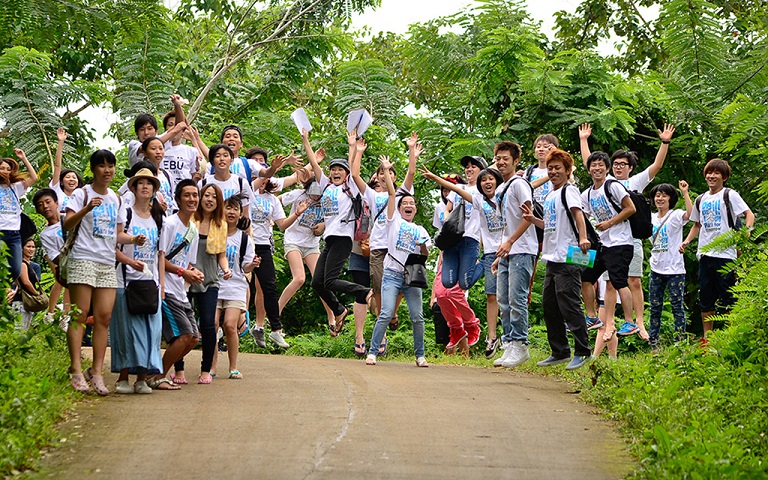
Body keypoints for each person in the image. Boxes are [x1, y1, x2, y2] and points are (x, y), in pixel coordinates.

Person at [579, 122, 676, 339]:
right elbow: (593, 163)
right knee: (602, 280)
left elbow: (657, 166)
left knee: (630, 281)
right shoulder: (593, 188)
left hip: (627, 240)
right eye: (616, 164)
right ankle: (603, 320)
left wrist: (665, 142)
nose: (618, 167)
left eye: (623, 164)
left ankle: (635, 322)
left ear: (630, 167)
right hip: (604, 242)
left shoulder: (631, 182)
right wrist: (584, 140)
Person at [63, 149, 130, 395]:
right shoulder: (81, 194)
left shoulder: (117, 198)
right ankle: (76, 369)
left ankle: (97, 371)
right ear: (93, 170)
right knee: (80, 315)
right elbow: (66, 224)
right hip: (82, 257)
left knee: (104, 318)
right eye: (101, 166)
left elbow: (118, 234)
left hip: (105, 261)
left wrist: (134, 239)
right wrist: (86, 209)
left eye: (110, 166)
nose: (107, 170)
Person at [521, 149, 592, 370]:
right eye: (550, 168)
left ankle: (583, 351)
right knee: (550, 305)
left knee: (569, 304)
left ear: (567, 170)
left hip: (569, 256)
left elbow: (578, 214)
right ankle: (559, 351)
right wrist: (534, 220)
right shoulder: (551, 195)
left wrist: (582, 237)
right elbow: (551, 226)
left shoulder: (569, 190)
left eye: (557, 168)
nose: (553, 172)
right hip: (552, 257)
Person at [305, 129, 372, 337]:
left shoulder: (349, 187)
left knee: (331, 281)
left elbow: (354, 169)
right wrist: (305, 139)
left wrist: (354, 147)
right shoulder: (326, 186)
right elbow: (314, 165)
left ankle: (366, 292)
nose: (335, 172)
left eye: (339, 170)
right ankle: (340, 310)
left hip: (343, 238)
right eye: (333, 169)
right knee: (317, 283)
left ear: (345, 175)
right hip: (330, 239)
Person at [366, 157, 431, 367]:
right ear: (400, 208)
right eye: (406, 203)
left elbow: (425, 256)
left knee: (417, 317)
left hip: (411, 278)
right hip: (392, 274)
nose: (409, 205)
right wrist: (386, 170)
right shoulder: (393, 222)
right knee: (385, 313)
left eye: (412, 204)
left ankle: (420, 355)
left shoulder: (421, 230)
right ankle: (373, 351)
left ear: (416, 209)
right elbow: (393, 194)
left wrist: (421, 244)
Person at [680, 158, 754, 338]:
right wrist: (687, 241)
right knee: (705, 299)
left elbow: (748, 214)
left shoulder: (729, 195)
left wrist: (746, 232)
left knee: (729, 298)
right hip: (705, 254)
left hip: (726, 255)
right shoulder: (701, 199)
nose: (712, 176)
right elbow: (698, 224)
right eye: (709, 172)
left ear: (724, 177)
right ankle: (707, 339)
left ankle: (730, 335)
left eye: (716, 173)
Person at [111, 168, 165, 394]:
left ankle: (142, 378)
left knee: (151, 332)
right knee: (127, 331)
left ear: (154, 189)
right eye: (140, 183)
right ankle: (123, 377)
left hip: (149, 283)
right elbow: (112, 243)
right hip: (126, 282)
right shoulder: (127, 214)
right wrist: (130, 260)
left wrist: (161, 285)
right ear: (132, 188)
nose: (145, 186)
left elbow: (161, 252)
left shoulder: (158, 217)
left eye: (149, 183)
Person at [149, 179, 205, 390]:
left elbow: (189, 262)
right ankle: (157, 376)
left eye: (195, 195)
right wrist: (183, 272)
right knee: (183, 336)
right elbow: (160, 258)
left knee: (193, 339)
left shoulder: (192, 230)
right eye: (187, 195)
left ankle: (155, 373)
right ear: (178, 199)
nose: (192, 199)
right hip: (166, 288)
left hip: (181, 290)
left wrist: (195, 272)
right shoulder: (170, 224)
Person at [247, 164, 307, 349]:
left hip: (264, 246)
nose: (264, 181)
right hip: (245, 243)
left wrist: (297, 213)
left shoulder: (272, 200)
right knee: (238, 284)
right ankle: (223, 326)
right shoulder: (247, 192)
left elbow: (282, 225)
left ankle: (275, 329)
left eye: (267, 178)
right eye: (261, 176)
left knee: (269, 288)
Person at [491, 141, 539, 368]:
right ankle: (509, 342)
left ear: (516, 161)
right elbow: (505, 224)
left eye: (505, 159)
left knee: (516, 298)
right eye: (498, 158)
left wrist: (510, 242)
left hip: (522, 249)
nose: (501, 162)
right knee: (503, 299)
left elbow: (527, 217)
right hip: (508, 250)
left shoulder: (520, 184)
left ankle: (520, 344)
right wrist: (501, 251)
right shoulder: (501, 188)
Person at [580, 151, 636, 343]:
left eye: (601, 165)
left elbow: (631, 208)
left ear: (607, 168)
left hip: (621, 242)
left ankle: (630, 321)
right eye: (593, 165)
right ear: (588, 170)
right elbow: (582, 217)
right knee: (586, 277)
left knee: (618, 281)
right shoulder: (587, 193)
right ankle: (591, 317)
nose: (597, 168)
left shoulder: (613, 186)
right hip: (603, 243)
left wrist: (609, 223)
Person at [276, 167, 334, 334]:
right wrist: (274, 220)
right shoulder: (298, 194)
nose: (315, 197)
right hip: (293, 240)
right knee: (299, 278)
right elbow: (276, 201)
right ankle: (275, 314)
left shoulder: (328, 200)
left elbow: (335, 220)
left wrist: (323, 226)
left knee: (320, 281)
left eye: (318, 195)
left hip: (311, 244)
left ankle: (332, 316)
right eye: (312, 193)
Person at [184, 183, 231, 384]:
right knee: (184, 326)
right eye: (206, 195)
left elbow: (221, 255)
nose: (209, 199)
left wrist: (227, 269)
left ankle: (206, 370)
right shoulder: (189, 221)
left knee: (209, 324)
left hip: (210, 278)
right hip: (185, 277)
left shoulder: (221, 224)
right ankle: (179, 370)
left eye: (214, 196)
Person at [215, 196, 260, 379]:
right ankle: (211, 367)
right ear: (221, 210)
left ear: (241, 214)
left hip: (235, 286)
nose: (231, 212)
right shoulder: (214, 233)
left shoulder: (244, 239)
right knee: (212, 325)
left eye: (235, 209)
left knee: (229, 325)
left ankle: (233, 367)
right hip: (215, 284)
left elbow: (245, 267)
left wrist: (253, 264)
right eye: (228, 208)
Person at [647, 181, 692, 347]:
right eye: (657, 195)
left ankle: (680, 342)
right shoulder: (650, 218)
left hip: (675, 269)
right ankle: (653, 343)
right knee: (655, 307)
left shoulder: (676, 215)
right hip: (656, 267)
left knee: (677, 307)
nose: (660, 198)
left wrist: (685, 193)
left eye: (664, 195)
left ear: (670, 199)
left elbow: (691, 214)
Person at [441, 154, 487, 290]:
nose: (469, 170)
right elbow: (447, 210)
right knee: (447, 282)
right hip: (452, 240)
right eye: (467, 167)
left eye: (474, 166)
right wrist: (447, 223)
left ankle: (486, 260)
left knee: (465, 284)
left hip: (471, 239)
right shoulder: (458, 188)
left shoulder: (484, 190)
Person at [0, 149, 38, 281]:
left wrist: (24, 158)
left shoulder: (15, 187)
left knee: (16, 270)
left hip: (14, 234)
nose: (5, 171)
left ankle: (4, 288)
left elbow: (34, 178)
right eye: (2, 168)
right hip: (0, 231)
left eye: (8, 169)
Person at [33, 188, 69, 319]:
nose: (45, 207)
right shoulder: (45, 234)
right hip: (70, 265)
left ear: (56, 202)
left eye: (48, 202)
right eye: (40, 205)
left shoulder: (70, 218)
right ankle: (64, 316)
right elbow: (55, 257)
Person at [200, 144, 254, 218]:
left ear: (231, 160)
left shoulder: (241, 183)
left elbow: (245, 213)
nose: (222, 159)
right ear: (212, 161)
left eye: (225, 155)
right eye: (217, 156)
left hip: (235, 228)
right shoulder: (204, 183)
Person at [50, 128, 84, 213]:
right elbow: (57, 166)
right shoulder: (57, 192)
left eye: (74, 177)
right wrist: (61, 142)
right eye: (68, 177)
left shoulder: (82, 197)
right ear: (61, 182)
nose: (71, 179)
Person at [12, 238, 42, 329]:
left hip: (29, 302)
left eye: (33, 247)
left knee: (24, 330)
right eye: (28, 246)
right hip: (20, 301)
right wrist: (38, 296)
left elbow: (36, 283)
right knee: (19, 331)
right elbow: (25, 282)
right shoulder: (19, 263)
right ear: (22, 248)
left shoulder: (35, 266)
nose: (31, 249)